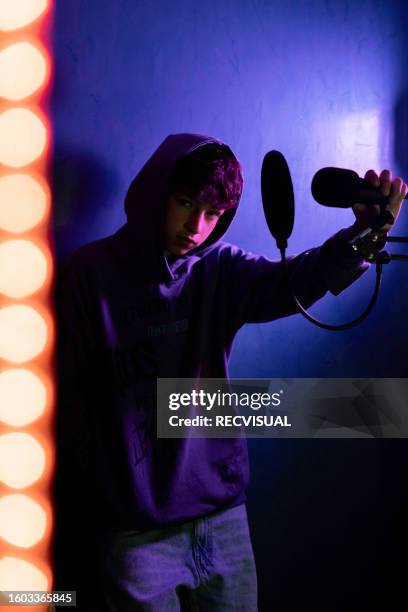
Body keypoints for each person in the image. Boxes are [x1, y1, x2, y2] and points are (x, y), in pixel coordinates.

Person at [54, 133, 406, 611]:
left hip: (224, 523)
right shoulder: (89, 274)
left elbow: (294, 282)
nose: (195, 227)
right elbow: (67, 403)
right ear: (157, 193)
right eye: (185, 204)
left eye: (212, 214)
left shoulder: (219, 269)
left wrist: (366, 235)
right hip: (135, 535)